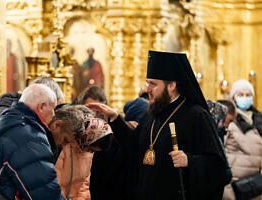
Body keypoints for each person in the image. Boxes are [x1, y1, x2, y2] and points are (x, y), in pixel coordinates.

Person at [87, 51, 227, 200]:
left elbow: (217, 167)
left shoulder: (197, 116)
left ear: (172, 85)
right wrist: (115, 118)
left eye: (153, 84)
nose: (147, 89)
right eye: (148, 83)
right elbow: (134, 145)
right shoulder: (153, 113)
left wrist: (189, 161)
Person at [0, 84, 65, 200]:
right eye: (53, 109)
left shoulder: (6, 121)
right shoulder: (29, 135)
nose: (54, 114)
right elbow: (43, 191)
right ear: (41, 107)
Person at [53, 105, 112, 200]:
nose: (90, 152)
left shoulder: (88, 154)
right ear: (87, 139)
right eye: (91, 149)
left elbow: (84, 185)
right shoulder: (65, 145)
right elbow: (56, 181)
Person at [223, 79, 262, 200]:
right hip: (235, 187)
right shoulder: (228, 119)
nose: (245, 97)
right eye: (240, 94)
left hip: (256, 187)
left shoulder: (259, 119)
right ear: (233, 98)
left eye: (248, 95)